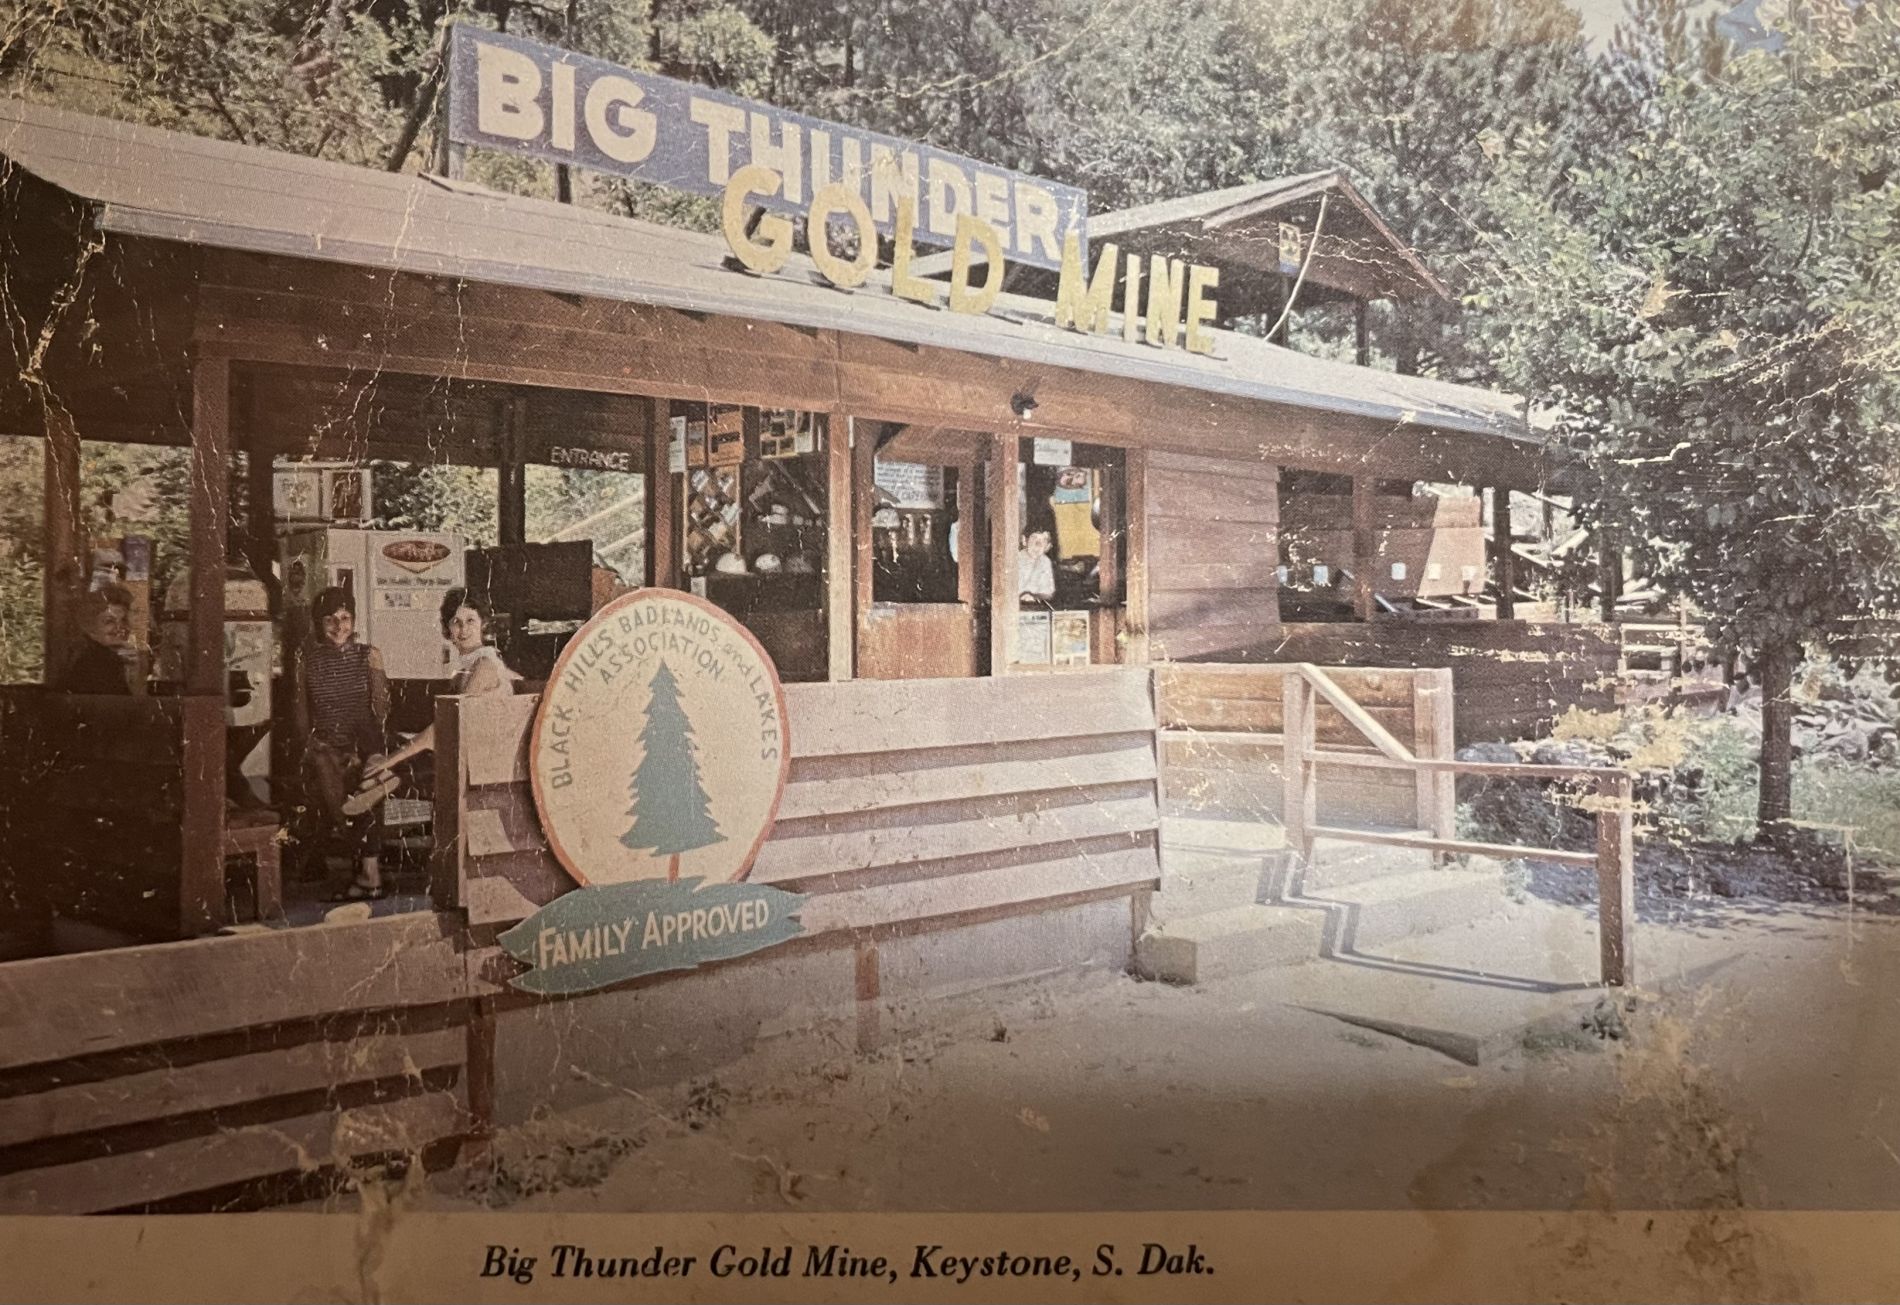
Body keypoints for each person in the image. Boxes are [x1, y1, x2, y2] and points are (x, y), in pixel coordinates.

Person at [352, 589, 518, 808]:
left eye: (470, 621)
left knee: (401, 752)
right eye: (456, 622)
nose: (463, 629)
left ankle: (390, 778)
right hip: (461, 749)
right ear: (447, 629)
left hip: (482, 760)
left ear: (483, 624)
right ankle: (387, 778)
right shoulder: (469, 665)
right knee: (376, 734)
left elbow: (446, 727)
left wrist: (391, 759)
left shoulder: (484, 665)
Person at [292, 586, 390, 900]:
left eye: (345, 618)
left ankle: (365, 869)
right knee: (323, 774)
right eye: (330, 620)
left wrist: (369, 750)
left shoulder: (369, 654)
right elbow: (301, 712)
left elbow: (381, 709)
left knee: (367, 782)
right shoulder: (305, 659)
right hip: (324, 745)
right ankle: (361, 866)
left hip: (363, 742)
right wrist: (309, 745)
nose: (339, 627)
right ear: (318, 624)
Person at [54, 584, 134, 693]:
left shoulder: (106, 657)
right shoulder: (100, 661)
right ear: (91, 627)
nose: (120, 628)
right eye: (109, 621)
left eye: (124, 620)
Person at [1017, 529, 1056, 603]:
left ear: (1048, 546)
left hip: (1035, 604)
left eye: (1044, 540)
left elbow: (1048, 592)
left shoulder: (1045, 561)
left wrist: (1033, 596)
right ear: (1024, 540)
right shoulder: (1014, 560)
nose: (1038, 544)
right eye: (1034, 538)